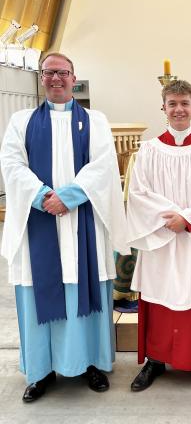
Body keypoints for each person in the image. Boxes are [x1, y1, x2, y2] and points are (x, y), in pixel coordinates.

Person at [0, 52, 129, 402]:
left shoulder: (96, 121)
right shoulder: (21, 121)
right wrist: (42, 196)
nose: (55, 79)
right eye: (49, 73)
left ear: (74, 78)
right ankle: (41, 372)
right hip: (39, 221)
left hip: (81, 221)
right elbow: (11, 164)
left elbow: (103, 165)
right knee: (39, 292)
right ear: (41, 78)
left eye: (63, 73)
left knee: (83, 290)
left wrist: (69, 197)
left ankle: (90, 364)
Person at [127, 79, 191, 393]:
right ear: (164, 109)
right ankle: (155, 360)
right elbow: (138, 194)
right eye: (173, 104)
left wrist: (188, 219)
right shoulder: (148, 151)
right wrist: (173, 217)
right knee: (160, 298)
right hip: (162, 239)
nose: (179, 109)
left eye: (185, 103)